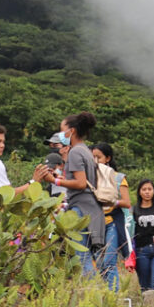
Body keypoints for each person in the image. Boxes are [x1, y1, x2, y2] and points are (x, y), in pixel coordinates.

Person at [35, 112, 105, 277]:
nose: (60, 135)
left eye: (62, 130)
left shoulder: (74, 152)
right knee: (91, 255)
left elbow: (80, 183)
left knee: (82, 257)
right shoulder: (85, 150)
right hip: (92, 208)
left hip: (80, 207)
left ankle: (89, 292)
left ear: (71, 131)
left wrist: (55, 181)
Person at [91, 142, 132, 291]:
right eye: (92, 157)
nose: (95, 161)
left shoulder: (118, 178)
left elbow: (127, 202)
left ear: (107, 158)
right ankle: (108, 293)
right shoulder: (89, 179)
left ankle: (114, 297)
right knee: (100, 263)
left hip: (112, 223)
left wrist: (111, 202)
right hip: (96, 225)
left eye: (99, 157)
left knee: (109, 260)